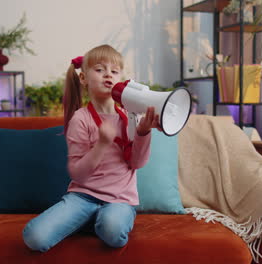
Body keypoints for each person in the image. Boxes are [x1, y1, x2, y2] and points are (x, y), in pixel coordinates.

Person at [22, 44, 161, 252]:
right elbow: (78, 173)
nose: (108, 75)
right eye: (99, 69)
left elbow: (137, 163)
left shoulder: (129, 115)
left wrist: (143, 133)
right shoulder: (80, 119)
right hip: (83, 196)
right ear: (83, 78)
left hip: (120, 199)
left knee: (113, 232)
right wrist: (102, 145)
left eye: (114, 71)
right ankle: (91, 217)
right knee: (35, 238)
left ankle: (93, 220)